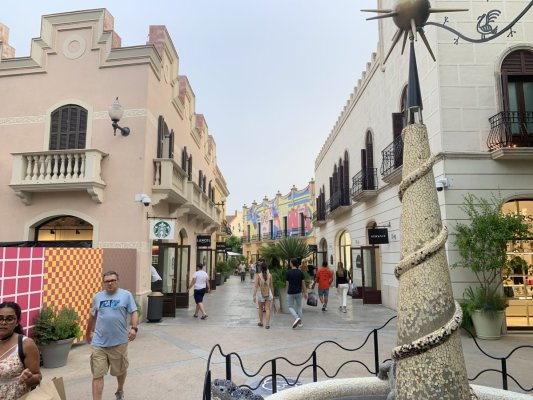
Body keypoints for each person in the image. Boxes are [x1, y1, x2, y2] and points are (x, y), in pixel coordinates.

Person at [85, 271, 139, 400]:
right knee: (97, 375)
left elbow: (134, 312)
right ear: (103, 283)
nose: (110, 283)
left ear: (117, 281)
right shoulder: (97, 297)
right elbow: (93, 316)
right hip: (99, 343)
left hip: (119, 342)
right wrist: (87, 334)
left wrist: (134, 328)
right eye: (107, 281)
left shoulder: (126, 295)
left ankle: (120, 389)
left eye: (112, 280)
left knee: (120, 371)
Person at [0, 302, 42, 400]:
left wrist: (30, 379)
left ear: (17, 322)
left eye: (9, 319)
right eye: (0, 318)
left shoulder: (26, 344)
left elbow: (38, 377)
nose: (3, 323)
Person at [285, 257, 308, 328]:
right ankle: (300, 323)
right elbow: (303, 284)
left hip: (290, 292)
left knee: (290, 307)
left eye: (290, 262)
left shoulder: (288, 272)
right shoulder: (300, 272)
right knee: (299, 307)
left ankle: (296, 317)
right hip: (298, 292)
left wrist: (286, 291)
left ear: (291, 263)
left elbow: (287, 284)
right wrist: (305, 292)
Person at [253, 262, 274, 329]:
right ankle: (267, 324)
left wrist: (254, 296)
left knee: (260, 309)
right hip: (268, 294)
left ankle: (261, 322)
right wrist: (273, 295)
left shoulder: (258, 276)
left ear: (261, 268)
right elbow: (271, 286)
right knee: (267, 309)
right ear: (266, 268)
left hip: (261, 294)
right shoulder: (270, 275)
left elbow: (256, 287)